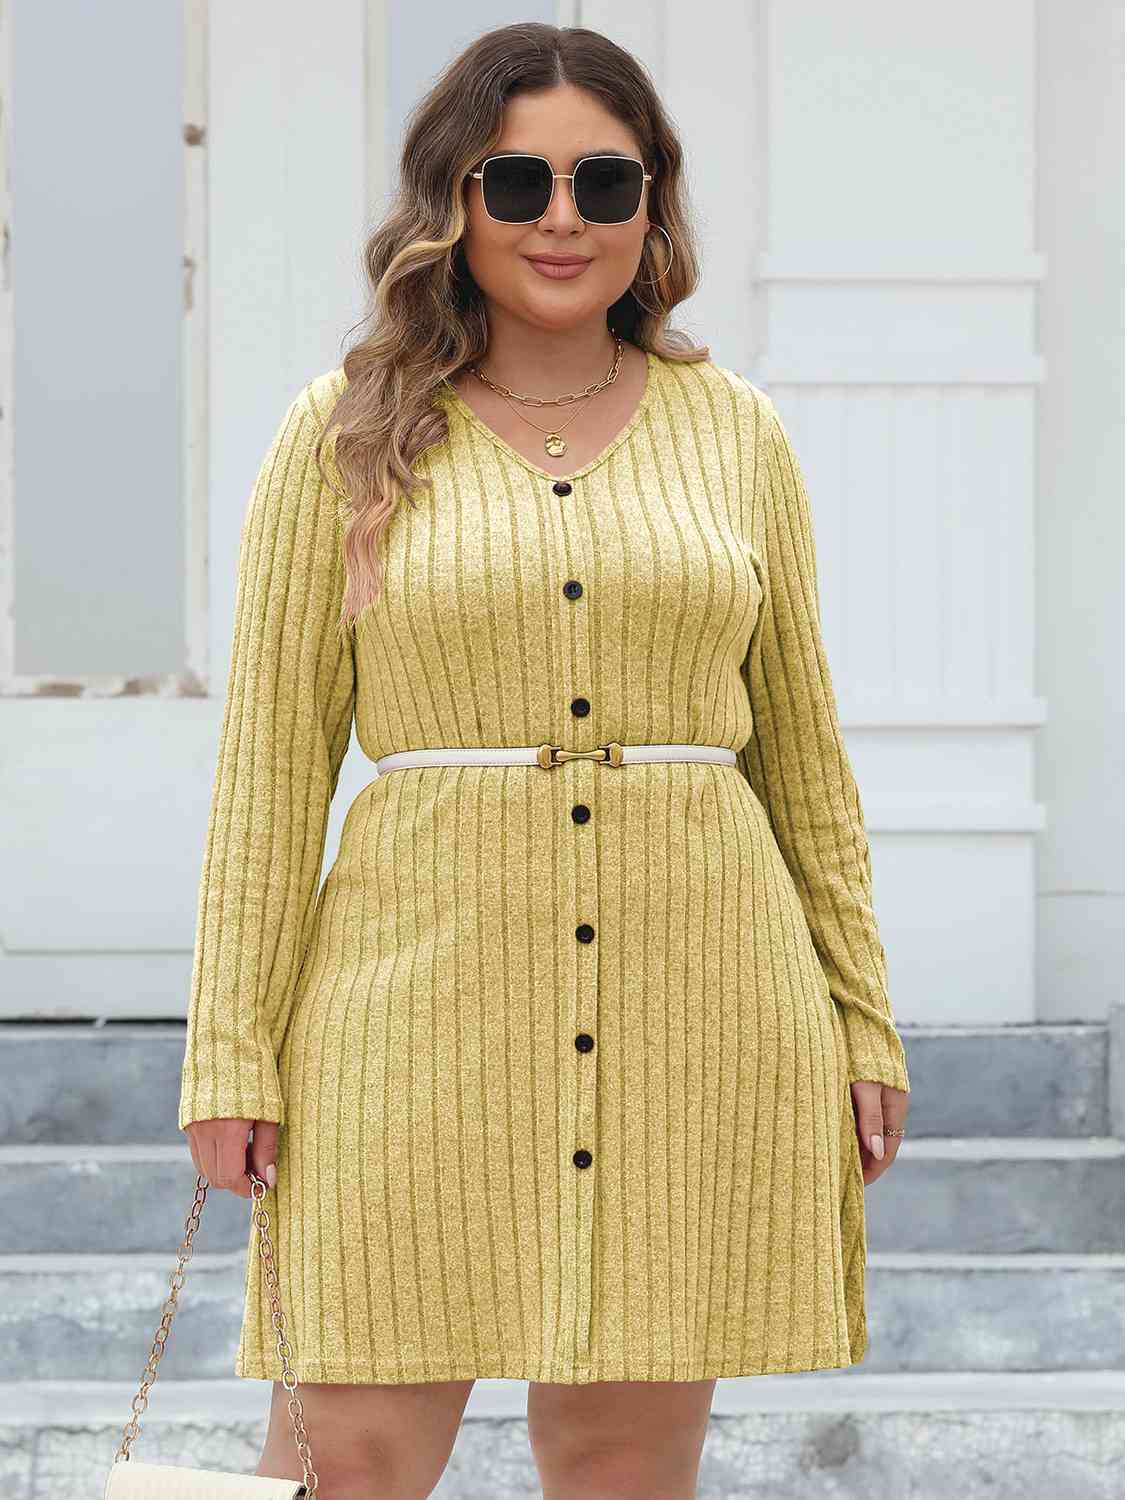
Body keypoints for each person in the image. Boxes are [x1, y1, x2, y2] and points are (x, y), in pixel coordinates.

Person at [179, 21, 910, 1500]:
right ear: (453, 203)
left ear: (653, 203)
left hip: (696, 1007)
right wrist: (229, 1045)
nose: (561, 218)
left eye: (603, 181)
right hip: (409, 1016)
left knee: (623, 1461)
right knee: (348, 1456)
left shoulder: (736, 433)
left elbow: (805, 764)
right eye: (516, 183)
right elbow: (268, 768)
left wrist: (861, 1018)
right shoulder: (343, 435)